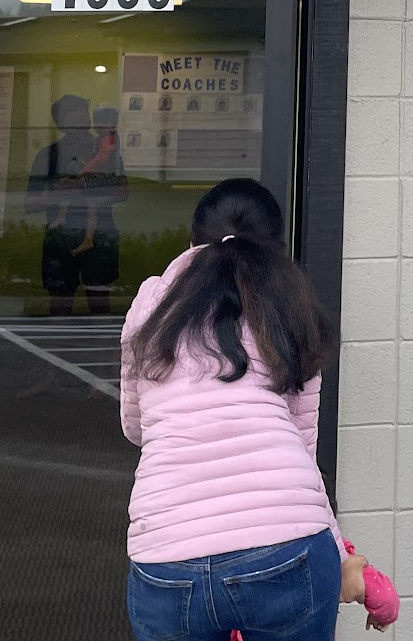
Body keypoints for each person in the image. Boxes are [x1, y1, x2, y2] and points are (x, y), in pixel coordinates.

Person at [119, 178, 385, 639]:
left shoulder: (152, 302)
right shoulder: (288, 308)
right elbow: (303, 446)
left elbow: (135, 426)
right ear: (276, 249)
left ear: (192, 242)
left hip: (166, 552)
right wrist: (339, 551)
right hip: (288, 547)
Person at [25, 94, 127, 316]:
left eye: (83, 113)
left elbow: (122, 191)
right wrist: (60, 194)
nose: (81, 119)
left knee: (100, 305)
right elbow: (30, 203)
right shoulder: (49, 155)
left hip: (99, 236)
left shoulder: (104, 148)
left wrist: (84, 188)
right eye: (73, 115)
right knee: (60, 304)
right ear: (60, 123)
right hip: (61, 237)